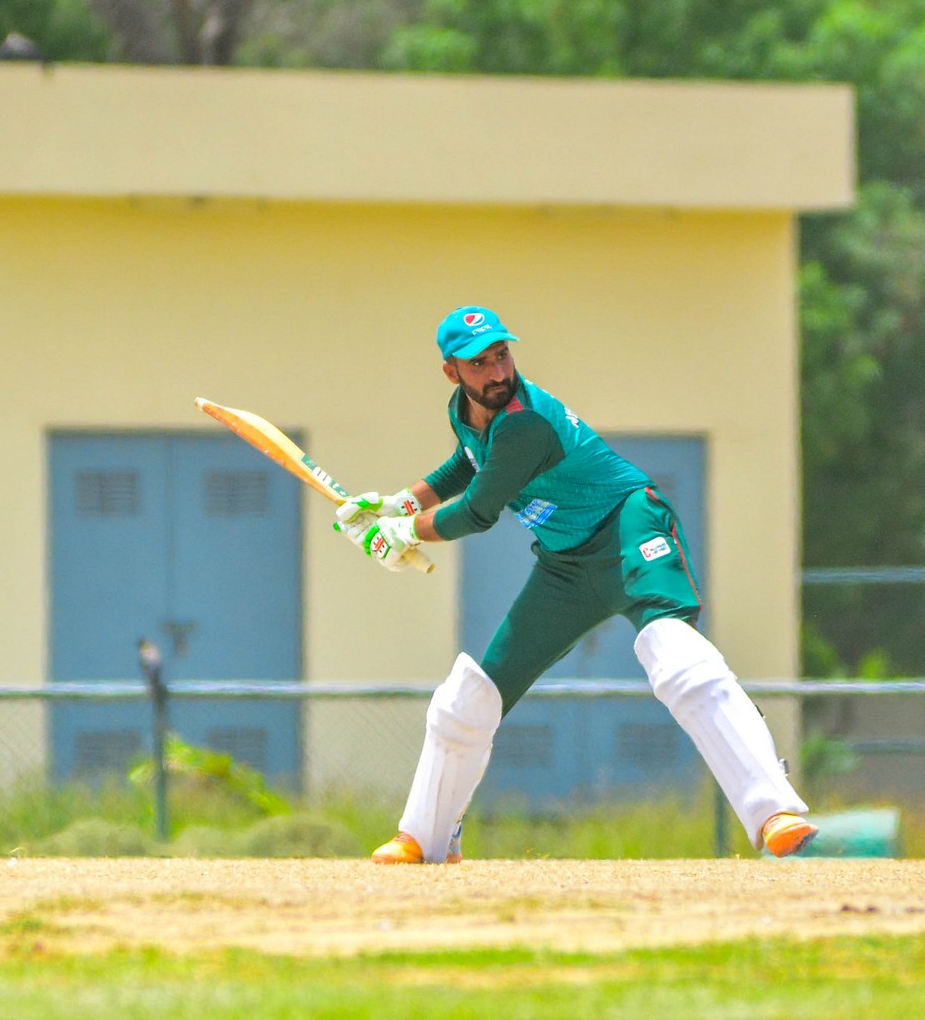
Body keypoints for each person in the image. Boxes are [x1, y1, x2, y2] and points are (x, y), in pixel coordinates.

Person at [336, 306, 818, 864]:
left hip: (627, 529)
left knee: (674, 654)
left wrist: (403, 533)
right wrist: (402, 503)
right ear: (452, 373)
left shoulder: (524, 423)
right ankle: (426, 837)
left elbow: (478, 511)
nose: (497, 372)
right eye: (480, 363)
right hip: (566, 565)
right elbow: (467, 464)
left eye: (502, 355)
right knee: (470, 695)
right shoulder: (467, 412)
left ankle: (774, 812)